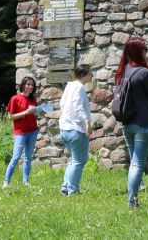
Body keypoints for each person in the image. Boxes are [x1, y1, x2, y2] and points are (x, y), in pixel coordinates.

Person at [115, 37, 148, 208]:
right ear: (137, 51)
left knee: (133, 160)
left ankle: (133, 199)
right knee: (137, 163)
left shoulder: (121, 71)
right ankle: (132, 201)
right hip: (143, 122)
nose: (145, 52)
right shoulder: (144, 73)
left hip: (126, 121)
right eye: (144, 49)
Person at [59, 64, 92, 196]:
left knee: (74, 159)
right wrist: (87, 122)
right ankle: (72, 190)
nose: (92, 75)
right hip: (75, 129)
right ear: (83, 75)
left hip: (65, 128)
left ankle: (65, 187)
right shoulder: (79, 87)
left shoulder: (69, 86)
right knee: (79, 160)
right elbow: (78, 106)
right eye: (90, 73)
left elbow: (62, 104)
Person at [3, 75, 42, 188]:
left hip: (33, 131)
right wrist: (25, 112)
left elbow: (34, 114)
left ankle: (26, 182)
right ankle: (6, 182)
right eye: (28, 84)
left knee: (28, 157)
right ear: (23, 85)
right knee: (16, 157)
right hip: (21, 132)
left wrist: (39, 111)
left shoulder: (32, 99)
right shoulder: (15, 99)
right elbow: (10, 117)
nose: (30, 87)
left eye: (32, 85)